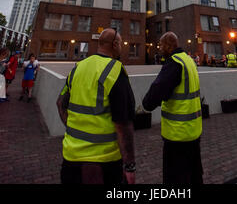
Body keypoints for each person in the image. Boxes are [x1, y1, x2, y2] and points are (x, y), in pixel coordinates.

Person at [56, 28, 136, 185]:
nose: (121, 47)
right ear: (115, 44)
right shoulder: (115, 70)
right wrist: (130, 165)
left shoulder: (78, 68)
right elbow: (123, 124)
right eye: (121, 44)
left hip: (71, 157)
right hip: (103, 162)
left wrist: (74, 130)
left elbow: (60, 103)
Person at [142, 32, 203, 185]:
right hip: (193, 131)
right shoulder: (188, 61)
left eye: (161, 45)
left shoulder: (174, 63)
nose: (159, 48)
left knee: (176, 179)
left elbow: (154, 95)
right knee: (195, 175)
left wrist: (146, 103)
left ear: (168, 45)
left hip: (178, 135)